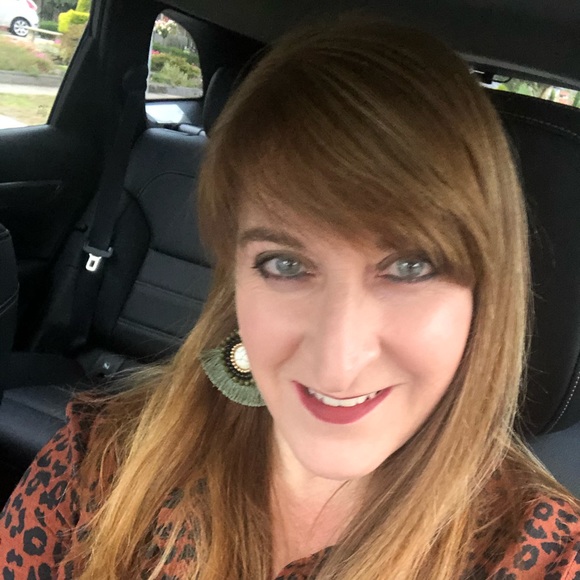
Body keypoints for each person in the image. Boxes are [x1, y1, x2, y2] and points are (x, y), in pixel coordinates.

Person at [1, 16, 579, 580]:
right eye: (286, 265)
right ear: (235, 278)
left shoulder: (544, 556)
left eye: (409, 267)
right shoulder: (99, 462)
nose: (338, 361)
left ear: (484, 292)